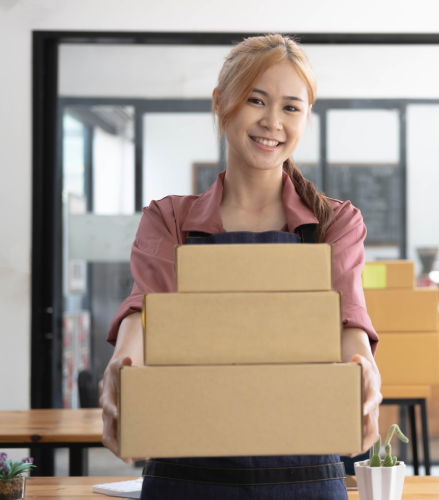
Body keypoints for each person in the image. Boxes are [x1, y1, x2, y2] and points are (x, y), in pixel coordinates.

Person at [101, 33, 382, 500]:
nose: (272, 121)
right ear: (220, 102)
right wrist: (122, 364)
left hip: (305, 474)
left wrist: (364, 367)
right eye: (256, 100)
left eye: (292, 107)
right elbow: (146, 312)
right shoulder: (170, 220)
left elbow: (347, 316)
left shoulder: (335, 223)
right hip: (185, 473)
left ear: (306, 117)